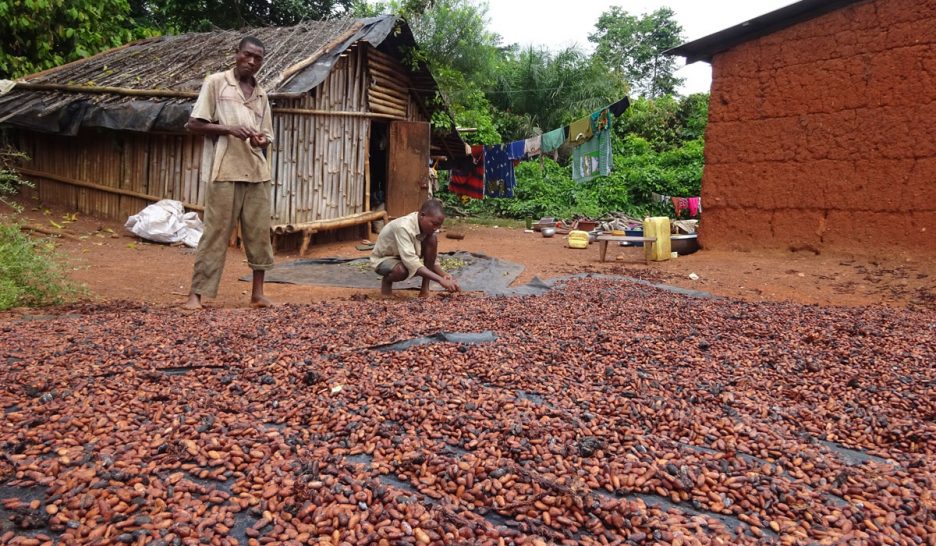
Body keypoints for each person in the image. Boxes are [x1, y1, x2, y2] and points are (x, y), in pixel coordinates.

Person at [181, 36, 275, 310]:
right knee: (215, 233)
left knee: (259, 234)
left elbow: (267, 134)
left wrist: (261, 140)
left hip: (257, 172)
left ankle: (258, 294)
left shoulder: (261, 94)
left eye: (257, 58)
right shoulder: (216, 83)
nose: (251, 61)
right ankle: (195, 295)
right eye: (247, 55)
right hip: (224, 171)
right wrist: (228, 129)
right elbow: (194, 124)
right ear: (236, 54)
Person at [370, 199, 461, 297]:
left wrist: (444, 275)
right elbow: (411, 262)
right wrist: (440, 280)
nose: (436, 228)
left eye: (439, 226)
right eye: (434, 224)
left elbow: (432, 260)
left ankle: (424, 290)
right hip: (384, 260)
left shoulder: (427, 230)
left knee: (432, 239)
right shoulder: (403, 227)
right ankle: (387, 283)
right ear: (422, 215)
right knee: (401, 271)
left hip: (405, 258)